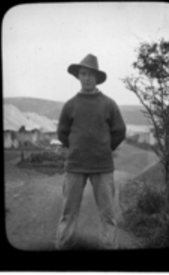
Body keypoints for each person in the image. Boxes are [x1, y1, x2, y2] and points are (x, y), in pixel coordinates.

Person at [55, 53, 126, 250]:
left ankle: (108, 247)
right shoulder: (70, 105)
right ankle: (63, 246)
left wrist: (104, 148)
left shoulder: (108, 104)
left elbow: (119, 131)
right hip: (75, 166)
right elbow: (62, 133)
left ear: (97, 78)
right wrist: (77, 148)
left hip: (102, 167)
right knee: (68, 213)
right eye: (83, 74)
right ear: (78, 76)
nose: (87, 78)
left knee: (108, 214)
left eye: (91, 75)